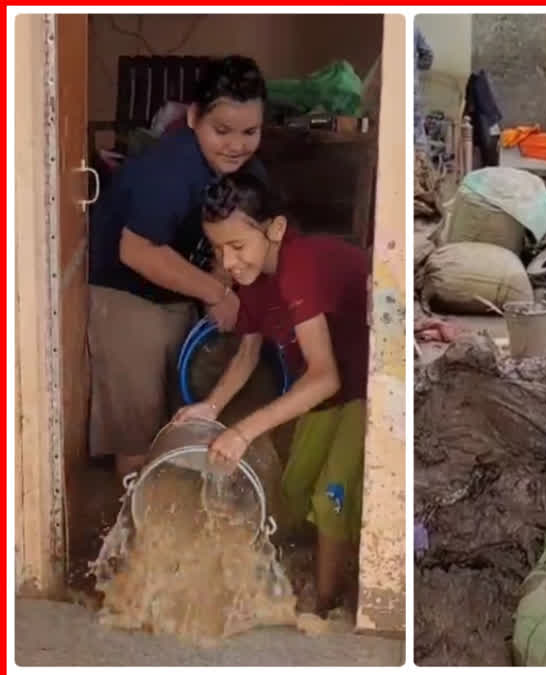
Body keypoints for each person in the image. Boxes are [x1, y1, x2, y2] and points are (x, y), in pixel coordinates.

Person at [174, 170, 370, 616]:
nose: (228, 263)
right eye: (219, 249)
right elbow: (247, 354)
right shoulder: (256, 278)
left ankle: (322, 609)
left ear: (276, 229)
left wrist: (241, 432)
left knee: (331, 497)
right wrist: (211, 407)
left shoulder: (300, 264)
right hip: (326, 392)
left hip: (367, 386)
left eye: (238, 246)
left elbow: (325, 376)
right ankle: (305, 578)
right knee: (295, 487)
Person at [87, 55, 268, 477]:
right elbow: (138, 251)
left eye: (250, 131)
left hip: (183, 288)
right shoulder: (168, 170)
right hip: (125, 292)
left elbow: (232, 238)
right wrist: (217, 293)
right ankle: (132, 521)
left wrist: (220, 283)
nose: (236, 145)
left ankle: (174, 498)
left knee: (178, 410)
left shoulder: (248, 172)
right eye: (221, 131)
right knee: (137, 427)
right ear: (192, 118)